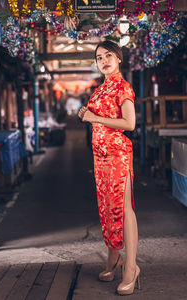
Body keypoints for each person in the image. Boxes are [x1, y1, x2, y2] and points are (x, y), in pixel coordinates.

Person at [78, 40, 140, 295]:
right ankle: (114, 260)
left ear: (119, 58)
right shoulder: (100, 90)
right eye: (99, 57)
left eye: (108, 55)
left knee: (124, 210)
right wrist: (86, 113)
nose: (103, 60)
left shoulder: (123, 88)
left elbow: (129, 123)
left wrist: (93, 117)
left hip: (117, 155)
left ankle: (131, 268)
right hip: (100, 157)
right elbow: (97, 118)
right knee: (107, 209)